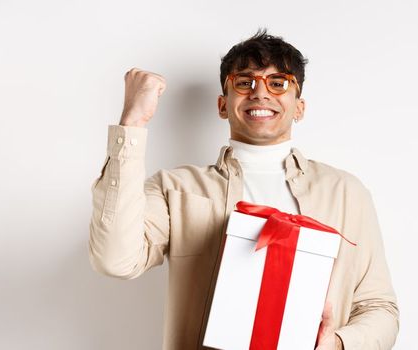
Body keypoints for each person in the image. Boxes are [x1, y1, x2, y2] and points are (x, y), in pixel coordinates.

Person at [88, 29, 398, 349]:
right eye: (244, 82)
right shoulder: (175, 189)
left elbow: (380, 308)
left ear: (300, 107)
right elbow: (114, 260)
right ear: (223, 105)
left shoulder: (346, 192)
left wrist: (337, 344)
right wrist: (132, 124)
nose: (260, 93)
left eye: (278, 83)